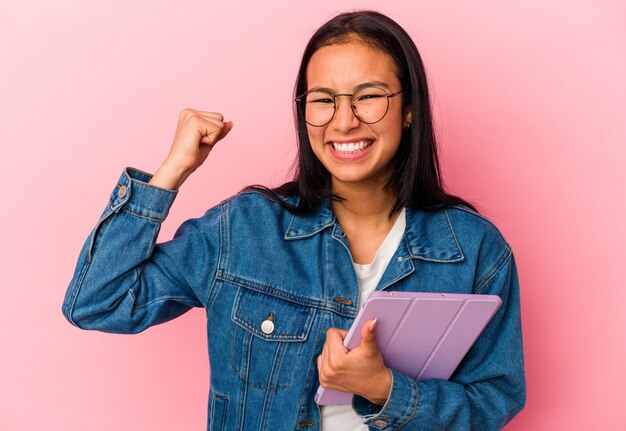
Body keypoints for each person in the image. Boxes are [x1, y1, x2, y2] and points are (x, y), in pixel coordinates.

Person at [62, 10, 525, 431]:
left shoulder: (474, 249)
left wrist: (386, 389)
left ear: (408, 110)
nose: (343, 121)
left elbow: (494, 400)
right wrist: (169, 174)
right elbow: (98, 302)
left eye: (369, 97)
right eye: (323, 100)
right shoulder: (244, 230)